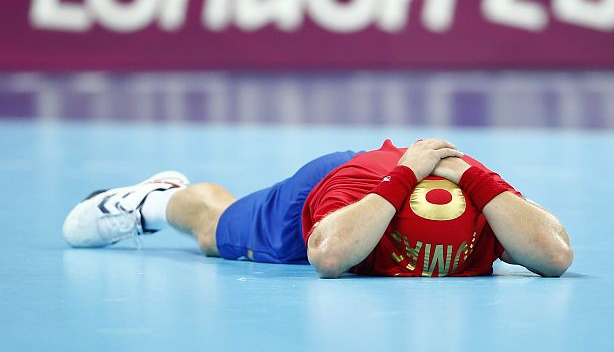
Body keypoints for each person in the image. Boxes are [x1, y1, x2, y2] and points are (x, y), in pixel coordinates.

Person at [63, 138, 573, 278]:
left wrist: (474, 177)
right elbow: (328, 257)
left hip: (405, 182)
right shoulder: (351, 191)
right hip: (318, 201)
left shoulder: (487, 203)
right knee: (212, 231)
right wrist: (401, 178)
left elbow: (556, 256)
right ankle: (153, 200)